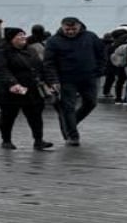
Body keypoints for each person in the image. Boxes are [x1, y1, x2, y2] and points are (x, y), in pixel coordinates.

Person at [42, 16, 106, 146]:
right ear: (62, 27)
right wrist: (53, 80)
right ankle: (73, 136)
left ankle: (70, 123)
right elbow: (49, 63)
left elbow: (101, 53)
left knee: (91, 103)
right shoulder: (53, 41)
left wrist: (99, 70)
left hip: (88, 77)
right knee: (68, 108)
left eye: (73, 29)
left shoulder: (90, 37)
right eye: (67, 29)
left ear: (79, 26)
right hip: (65, 79)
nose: (70, 31)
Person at [0, 27, 55, 150]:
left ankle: (38, 140)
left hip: (31, 90)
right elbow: (0, 70)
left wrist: (49, 82)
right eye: (19, 35)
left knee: (35, 116)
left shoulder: (31, 50)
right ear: (11, 39)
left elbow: (40, 67)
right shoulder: (2, 52)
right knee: (8, 116)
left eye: (23, 35)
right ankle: (6, 140)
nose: (23, 37)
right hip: (10, 91)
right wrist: (13, 83)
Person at [102, 25, 127, 101]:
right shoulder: (124, 41)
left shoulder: (111, 44)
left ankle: (108, 92)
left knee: (112, 78)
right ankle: (124, 97)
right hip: (121, 63)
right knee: (121, 80)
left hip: (112, 62)